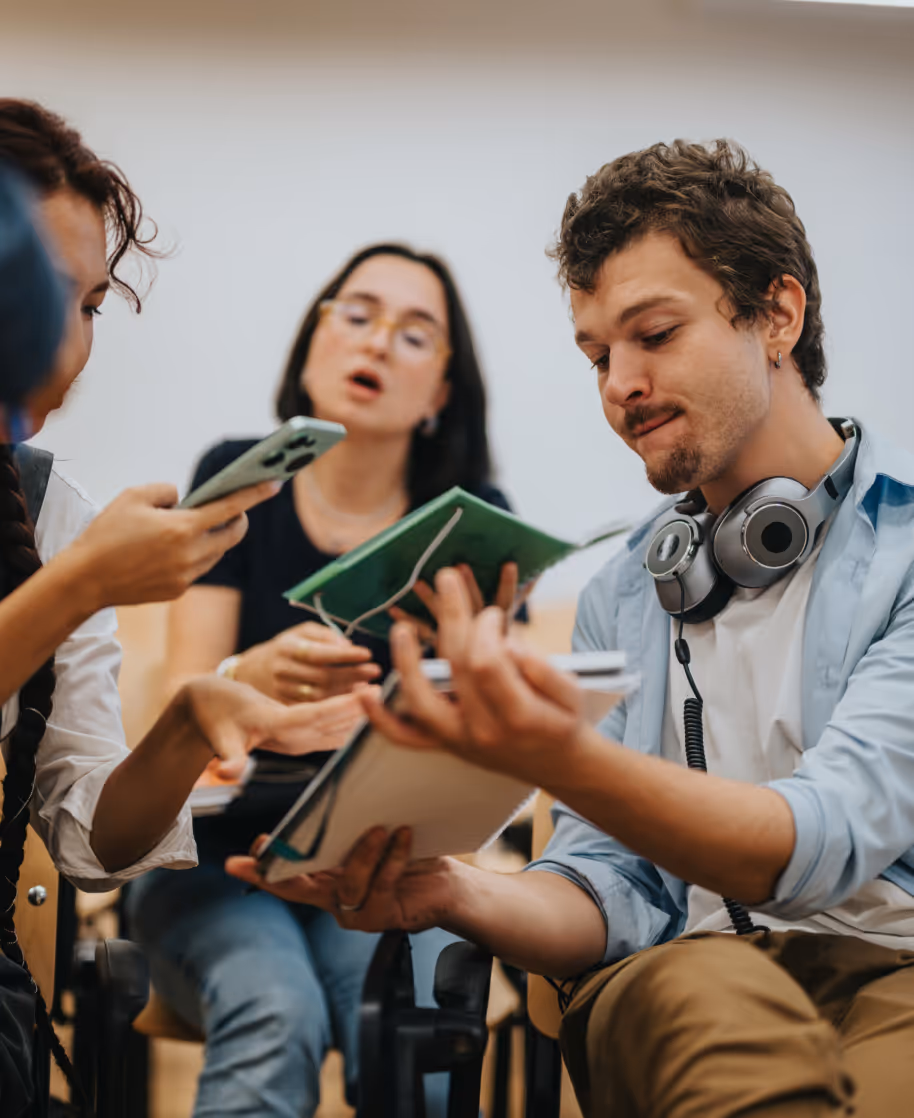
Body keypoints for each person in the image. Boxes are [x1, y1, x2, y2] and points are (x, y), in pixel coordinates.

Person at [232, 141, 914, 1118]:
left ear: (776, 314)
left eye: (653, 333)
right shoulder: (628, 589)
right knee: (699, 994)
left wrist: (555, 752)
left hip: (894, 967)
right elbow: (605, 888)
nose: (618, 383)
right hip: (693, 972)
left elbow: (822, 839)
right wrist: (450, 892)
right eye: (597, 353)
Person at [0, 99, 369, 1114]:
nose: (61, 347)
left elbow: (95, 841)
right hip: (220, 883)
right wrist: (83, 582)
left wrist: (194, 716)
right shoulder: (79, 551)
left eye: (87, 306)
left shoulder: (52, 514)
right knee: (272, 999)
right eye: (32, 291)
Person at [127, 241, 524, 1118]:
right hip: (212, 867)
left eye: (415, 334)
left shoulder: (472, 529)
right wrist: (246, 682)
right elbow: (179, 716)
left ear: (442, 392)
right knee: (276, 1007)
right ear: (313, 341)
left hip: (383, 868)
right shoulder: (235, 479)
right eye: (356, 315)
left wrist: (429, 716)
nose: (376, 344)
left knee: (407, 1036)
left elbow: (499, 755)